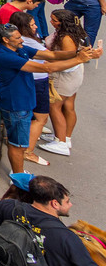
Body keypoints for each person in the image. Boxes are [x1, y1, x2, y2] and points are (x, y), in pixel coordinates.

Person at [0, 19, 98, 177]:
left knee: (20, 143)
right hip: (16, 104)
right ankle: (18, 176)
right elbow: (46, 67)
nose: (21, 39)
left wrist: (78, 53)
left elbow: (52, 55)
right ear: (6, 40)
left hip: (24, 101)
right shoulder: (5, 56)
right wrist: (79, 60)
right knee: (18, 145)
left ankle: (18, 173)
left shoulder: (18, 47)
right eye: (17, 38)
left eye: (20, 36)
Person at [42, 9, 89, 157]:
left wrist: (48, 60)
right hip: (74, 75)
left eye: (54, 20)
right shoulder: (77, 33)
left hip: (63, 76)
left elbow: (66, 58)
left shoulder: (65, 38)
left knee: (54, 106)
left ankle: (60, 142)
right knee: (68, 105)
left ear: (63, 22)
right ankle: (65, 137)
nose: (51, 22)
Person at [13, 11, 56, 169]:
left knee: (31, 116)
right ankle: (27, 151)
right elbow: (50, 57)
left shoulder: (21, 40)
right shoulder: (27, 41)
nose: (36, 26)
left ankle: (24, 146)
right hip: (37, 80)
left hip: (32, 79)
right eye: (32, 24)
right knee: (40, 118)